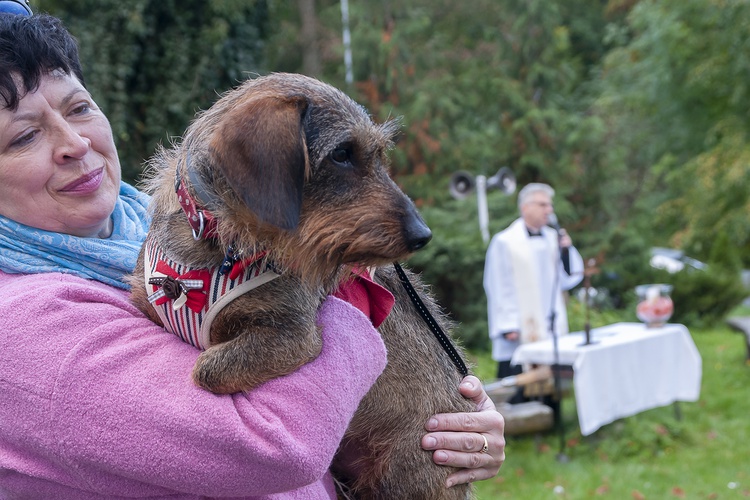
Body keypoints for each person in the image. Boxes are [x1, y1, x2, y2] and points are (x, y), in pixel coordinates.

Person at [0, 11, 504, 499]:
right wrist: (352, 301)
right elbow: (277, 447)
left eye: (79, 108)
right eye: (24, 136)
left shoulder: (147, 239)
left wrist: (452, 430)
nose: (74, 143)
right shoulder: (24, 327)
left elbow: (332, 436)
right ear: (260, 171)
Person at [483, 183, 584, 401]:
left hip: (549, 320)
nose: (549, 210)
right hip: (520, 323)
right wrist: (508, 324)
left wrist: (567, 249)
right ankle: (518, 419)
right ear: (526, 207)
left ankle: (550, 412)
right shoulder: (505, 241)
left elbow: (570, 277)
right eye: (543, 204)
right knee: (518, 373)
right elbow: (497, 284)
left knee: (551, 368)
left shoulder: (552, 238)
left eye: (550, 205)